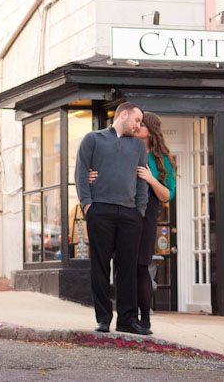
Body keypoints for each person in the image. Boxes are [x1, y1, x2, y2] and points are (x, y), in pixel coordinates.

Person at [89, 111, 176, 333]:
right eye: (136, 123)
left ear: (152, 130)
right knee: (121, 266)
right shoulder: (124, 147)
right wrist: (91, 176)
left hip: (146, 214)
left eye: (142, 124)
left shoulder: (161, 160)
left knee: (140, 266)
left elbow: (168, 195)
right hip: (121, 210)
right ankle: (126, 317)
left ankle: (144, 319)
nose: (137, 127)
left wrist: (150, 179)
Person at [74, 102, 150, 335]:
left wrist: (140, 210)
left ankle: (127, 320)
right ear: (123, 115)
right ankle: (103, 318)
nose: (138, 126)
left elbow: (141, 179)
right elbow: (80, 171)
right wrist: (88, 205)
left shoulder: (138, 146)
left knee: (127, 268)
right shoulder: (92, 139)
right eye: (137, 120)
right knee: (100, 267)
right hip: (100, 212)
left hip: (129, 214)